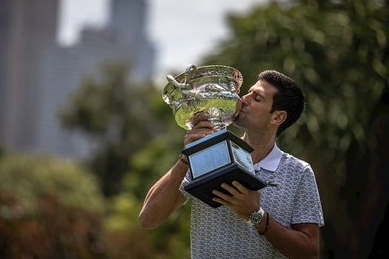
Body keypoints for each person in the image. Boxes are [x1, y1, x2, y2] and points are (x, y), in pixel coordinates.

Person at [139, 70, 324, 258]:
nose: (243, 99)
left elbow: (309, 252)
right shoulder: (210, 153)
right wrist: (186, 158)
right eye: (248, 92)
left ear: (277, 117)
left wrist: (257, 215)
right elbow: (148, 219)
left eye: (257, 98)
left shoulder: (299, 172)